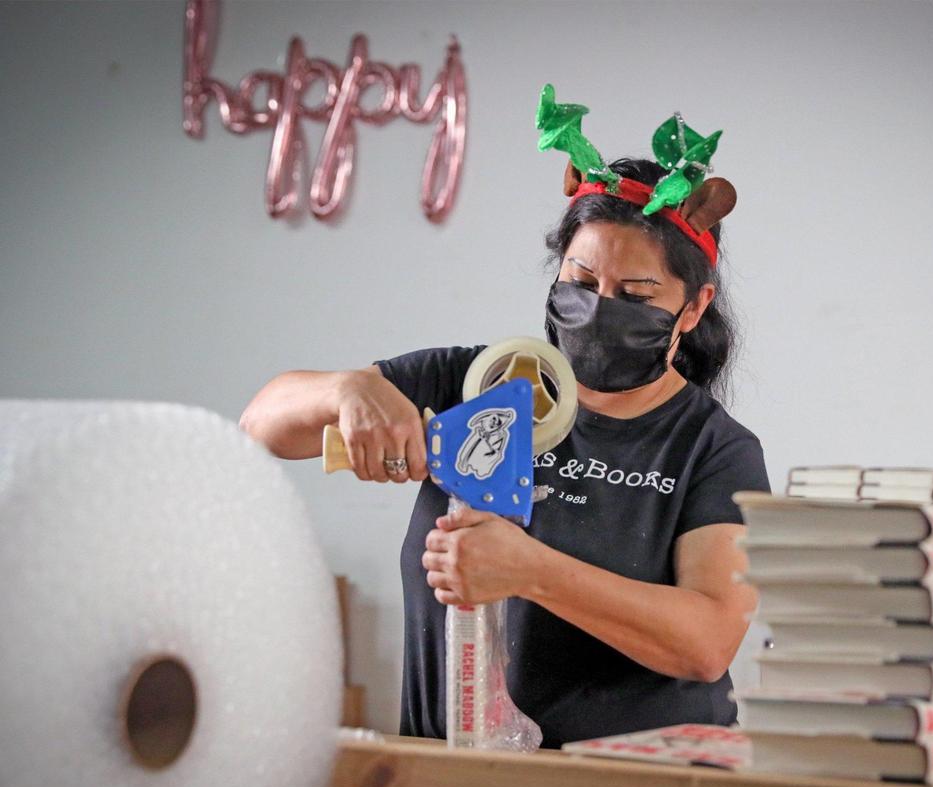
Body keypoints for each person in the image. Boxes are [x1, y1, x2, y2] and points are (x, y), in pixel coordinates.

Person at [240, 150, 771, 748]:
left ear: (693, 307)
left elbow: (705, 642)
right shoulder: (476, 384)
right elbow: (261, 425)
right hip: (449, 785)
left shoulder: (715, 451)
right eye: (581, 282)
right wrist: (350, 390)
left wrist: (531, 570)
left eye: (637, 294)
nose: (600, 306)